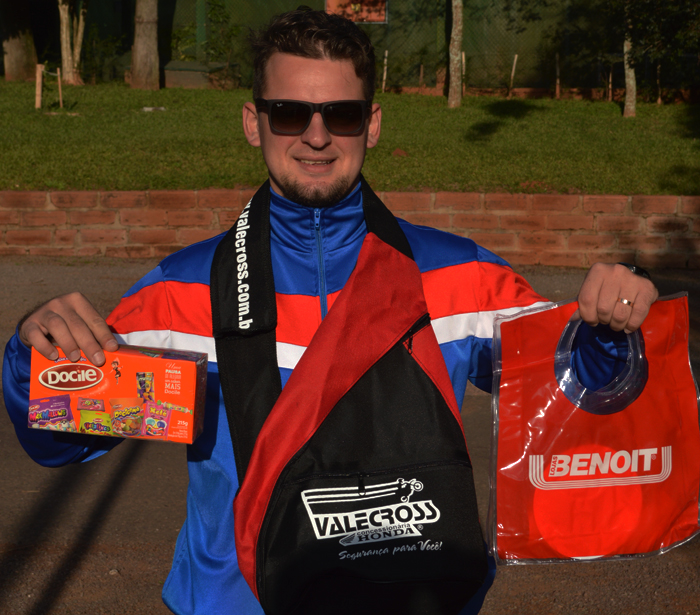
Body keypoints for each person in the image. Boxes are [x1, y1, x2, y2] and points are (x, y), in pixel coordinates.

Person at [2, 8, 658, 615]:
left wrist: (608, 326)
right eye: (290, 112)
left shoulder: (463, 276)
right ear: (253, 120)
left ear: (371, 122)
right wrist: (34, 352)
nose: (316, 136)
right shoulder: (183, 290)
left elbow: (578, 392)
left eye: (340, 114)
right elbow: (61, 436)